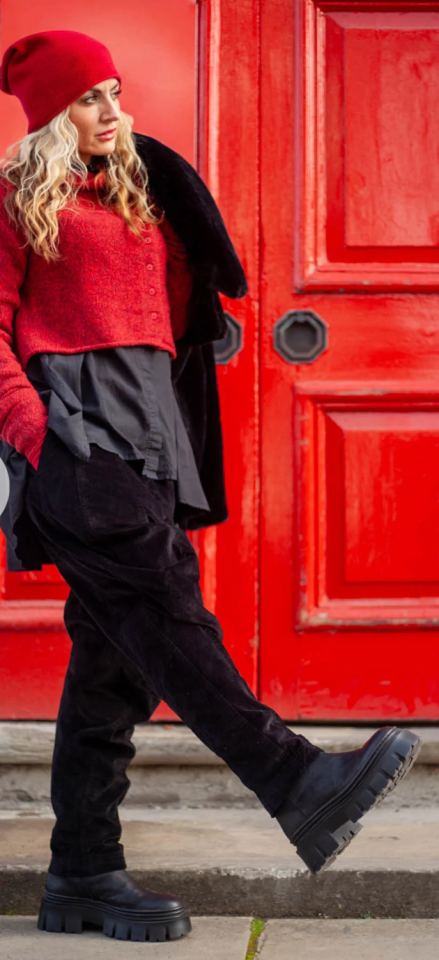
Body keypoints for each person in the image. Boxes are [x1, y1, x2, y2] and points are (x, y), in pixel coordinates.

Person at [0, 29, 421, 945]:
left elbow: (181, 305)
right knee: (171, 619)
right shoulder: (17, 201)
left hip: (152, 436)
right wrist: (41, 437)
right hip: (80, 443)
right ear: (50, 113)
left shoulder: (136, 186)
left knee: (112, 667)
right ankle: (294, 777)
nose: (110, 111)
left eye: (115, 92)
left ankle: (82, 874)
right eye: (88, 98)